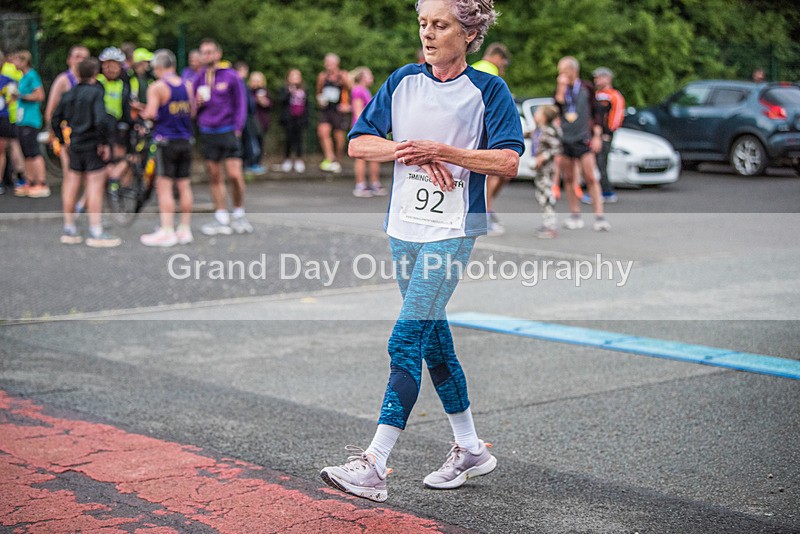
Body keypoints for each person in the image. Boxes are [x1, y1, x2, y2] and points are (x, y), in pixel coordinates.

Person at [320, 0, 523, 502]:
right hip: (403, 226)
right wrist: (405, 148)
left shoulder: (488, 89)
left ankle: (374, 464)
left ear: (469, 33)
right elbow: (358, 143)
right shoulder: (403, 80)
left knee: (405, 338)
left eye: (440, 25)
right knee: (433, 339)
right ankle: (471, 449)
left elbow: (509, 161)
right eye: (423, 24)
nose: (428, 34)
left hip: (454, 228)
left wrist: (445, 152)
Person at [51, 57, 121, 248]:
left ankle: (69, 227)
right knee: (94, 185)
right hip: (91, 144)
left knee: (71, 184)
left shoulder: (69, 94)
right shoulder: (96, 93)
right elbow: (100, 119)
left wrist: (61, 140)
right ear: (95, 73)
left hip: (75, 144)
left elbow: (55, 118)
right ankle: (95, 229)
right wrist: (104, 143)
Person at [193, 38, 251, 235]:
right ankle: (221, 216)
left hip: (228, 130)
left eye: (209, 52)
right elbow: (192, 109)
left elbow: (241, 104)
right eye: (203, 52)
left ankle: (239, 213)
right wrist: (197, 103)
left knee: (235, 175)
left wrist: (237, 128)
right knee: (214, 175)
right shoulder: (199, 78)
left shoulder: (231, 76)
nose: (206, 55)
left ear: (218, 54)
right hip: (208, 131)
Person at [139, 49, 195, 247]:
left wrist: (142, 111)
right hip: (186, 140)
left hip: (166, 141)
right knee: (184, 185)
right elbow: (193, 111)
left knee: (164, 186)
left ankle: (167, 230)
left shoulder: (158, 87)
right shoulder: (187, 85)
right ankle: (185, 229)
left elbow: (152, 113)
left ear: (160, 67)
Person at [554, 56, 609, 232]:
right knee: (569, 178)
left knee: (590, 176)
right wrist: (561, 89)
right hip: (565, 139)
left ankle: (599, 216)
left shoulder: (586, 88)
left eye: (564, 71)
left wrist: (597, 135)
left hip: (583, 138)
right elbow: (557, 107)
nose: (561, 75)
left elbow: (597, 112)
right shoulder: (561, 89)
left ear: (573, 71)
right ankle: (575, 214)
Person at [471, 42, 511, 235]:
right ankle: (484, 214)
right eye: (504, 62)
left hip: (472, 129)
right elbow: (492, 105)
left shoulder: (475, 67)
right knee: (493, 172)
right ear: (497, 57)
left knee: (496, 174)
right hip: (482, 130)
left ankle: (487, 209)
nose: (503, 66)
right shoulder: (489, 69)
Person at [44, 44, 90, 193]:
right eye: (77, 57)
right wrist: (53, 134)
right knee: (70, 173)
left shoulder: (92, 81)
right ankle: (69, 210)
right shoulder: (63, 80)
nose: (81, 60)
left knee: (88, 175)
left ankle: (83, 207)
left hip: (87, 133)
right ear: (69, 60)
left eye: (85, 57)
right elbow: (50, 111)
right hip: (67, 133)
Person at [12, 50, 50, 198]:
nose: (13, 63)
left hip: (31, 119)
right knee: (26, 151)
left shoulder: (32, 75)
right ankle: (30, 181)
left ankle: (41, 182)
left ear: (24, 61)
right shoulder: (23, 77)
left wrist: (22, 96)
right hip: (22, 119)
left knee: (34, 151)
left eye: (16, 60)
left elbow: (40, 95)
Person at [97, 47, 134, 195]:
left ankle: (120, 187)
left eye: (114, 65)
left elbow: (126, 109)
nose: (110, 69)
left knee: (123, 156)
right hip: (99, 127)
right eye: (106, 64)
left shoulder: (124, 84)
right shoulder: (97, 82)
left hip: (117, 127)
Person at [588, 66, 625, 204]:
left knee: (602, 162)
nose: (596, 80)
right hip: (594, 134)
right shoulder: (596, 94)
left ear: (607, 78)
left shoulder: (614, 95)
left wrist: (608, 132)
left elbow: (616, 116)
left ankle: (606, 191)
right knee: (595, 162)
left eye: (599, 77)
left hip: (604, 135)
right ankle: (597, 190)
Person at [349, 66, 385, 198]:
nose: (372, 77)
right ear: (362, 77)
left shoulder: (364, 90)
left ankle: (374, 183)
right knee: (361, 158)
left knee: (374, 157)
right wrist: (365, 128)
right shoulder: (358, 90)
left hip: (369, 128)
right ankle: (360, 185)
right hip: (363, 129)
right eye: (369, 75)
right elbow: (358, 113)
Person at [530, 105, 562, 239]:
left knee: (546, 196)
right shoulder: (538, 130)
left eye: (537, 112)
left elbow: (557, 148)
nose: (535, 114)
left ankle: (551, 225)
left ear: (544, 116)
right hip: (539, 170)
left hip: (546, 170)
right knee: (541, 196)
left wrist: (543, 156)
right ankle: (547, 223)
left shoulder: (549, 131)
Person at [316, 53, 350, 173]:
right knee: (323, 132)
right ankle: (330, 157)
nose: (327, 65)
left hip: (339, 111)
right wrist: (320, 100)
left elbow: (350, 90)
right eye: (326, 62)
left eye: (329, 62)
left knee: (339, 137)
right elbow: (319, 92)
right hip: (326, 109)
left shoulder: (343, 75)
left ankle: (337, 158)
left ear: (336, 63)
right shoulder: (322, 76)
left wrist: (347, 105)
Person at [2, 50, 27, 194]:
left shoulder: (7, 69)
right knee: (13, 146)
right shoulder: (18, 71)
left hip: (8, 112)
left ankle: (17, 176)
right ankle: (19, 176)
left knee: (10, 147)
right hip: (15, 112)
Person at [234, 62, 264, 175]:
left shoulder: (243, 84)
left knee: (249, 140)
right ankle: (250, 164)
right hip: (244, 117)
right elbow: (246, 103)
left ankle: (248, 164)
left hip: (246, 117)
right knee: (249, 141)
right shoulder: (239, 83)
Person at [278, 68, 309, 173]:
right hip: (289, 119)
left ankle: (299, 160)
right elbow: (281, 101)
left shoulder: (304, 89)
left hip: (300, 118)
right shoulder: (285, 89)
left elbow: (308, 104)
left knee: (299, 139)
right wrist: (289, 92)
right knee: (288, 140)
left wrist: (306, 118)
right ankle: (287, 159)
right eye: (293, 76)